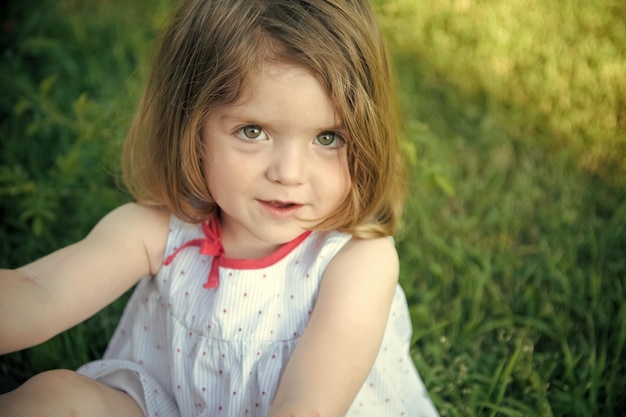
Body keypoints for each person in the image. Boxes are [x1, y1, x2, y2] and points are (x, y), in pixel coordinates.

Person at [0, 0, 440, 416]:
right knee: (54, 396)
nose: (288, 173)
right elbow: (42, 291)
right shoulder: (159, 230)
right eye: (253, 131)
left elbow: (309, 405)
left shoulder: (356, 260)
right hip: (168, 403)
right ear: (192, 127)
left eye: (328, 138)